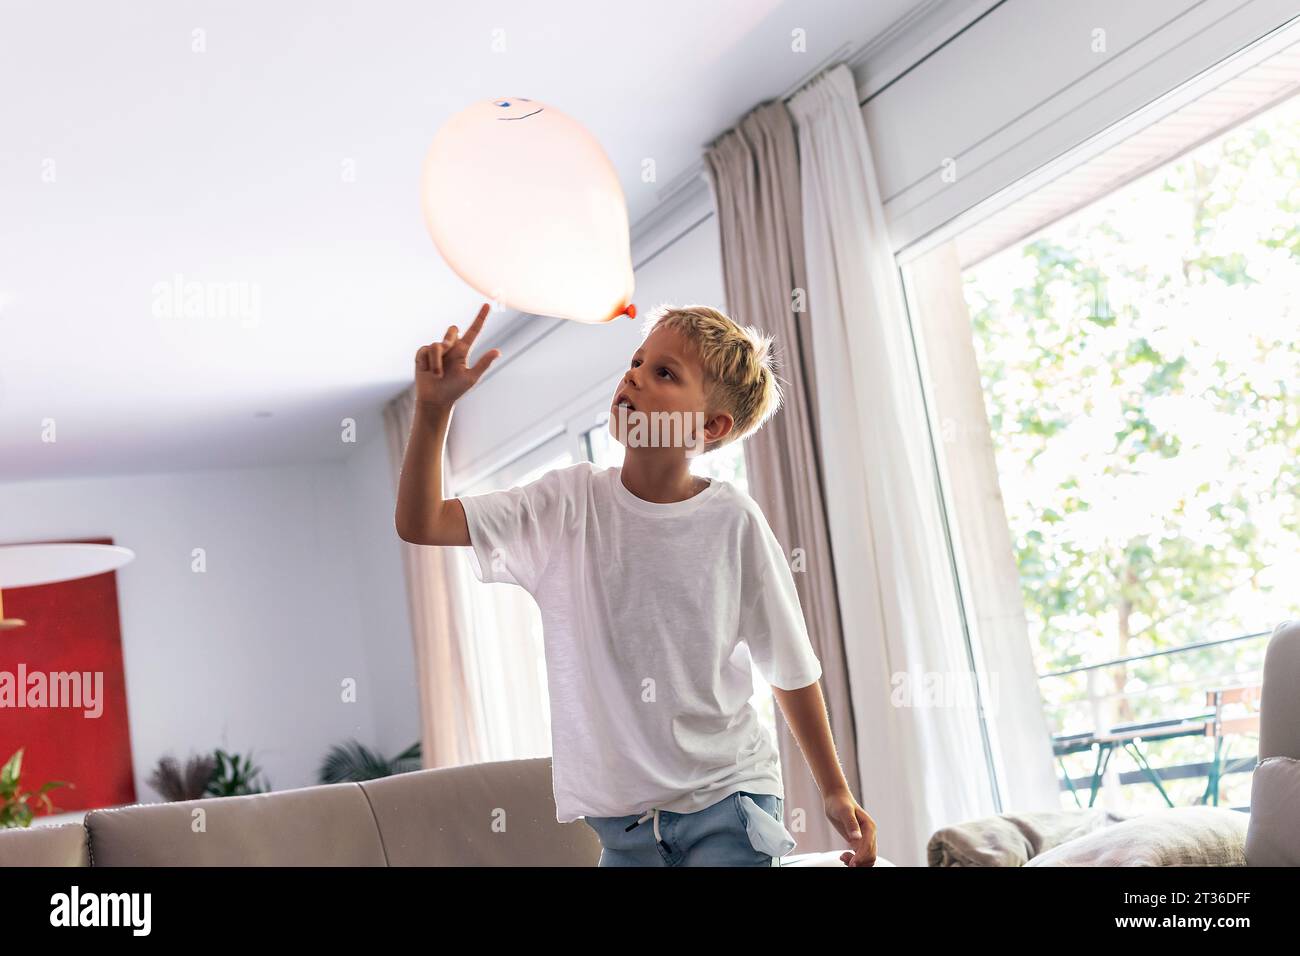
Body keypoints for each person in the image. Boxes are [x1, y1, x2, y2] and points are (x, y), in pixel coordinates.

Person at [395, 301, 877, 867]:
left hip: (729, 799)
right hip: (624, 827)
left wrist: (834, 789)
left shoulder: (734, 523)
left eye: (664, 373)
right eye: (637, 361)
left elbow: (791, 670)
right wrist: (432, 412)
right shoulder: (565, 505)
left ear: (711, 427)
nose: (634, 375)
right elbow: (422, 522)